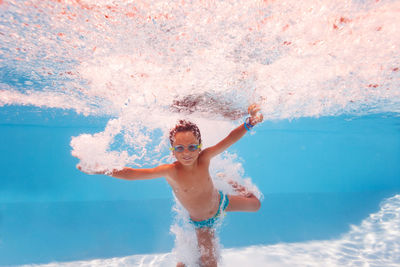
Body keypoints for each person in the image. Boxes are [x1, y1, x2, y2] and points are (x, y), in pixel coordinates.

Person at [75, 104, 263, 267]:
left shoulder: (205, 158)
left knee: (256, 205)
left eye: (192, 147)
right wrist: (100, 169)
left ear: (199, 146)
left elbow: (229, 139)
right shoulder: (170, 171)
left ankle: (232, 182)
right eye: (180, 148)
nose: (187, 153)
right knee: (204, 264)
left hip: (221, 202)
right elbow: (131, 173)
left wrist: (250, 123)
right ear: (172, 150)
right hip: (203, 223)